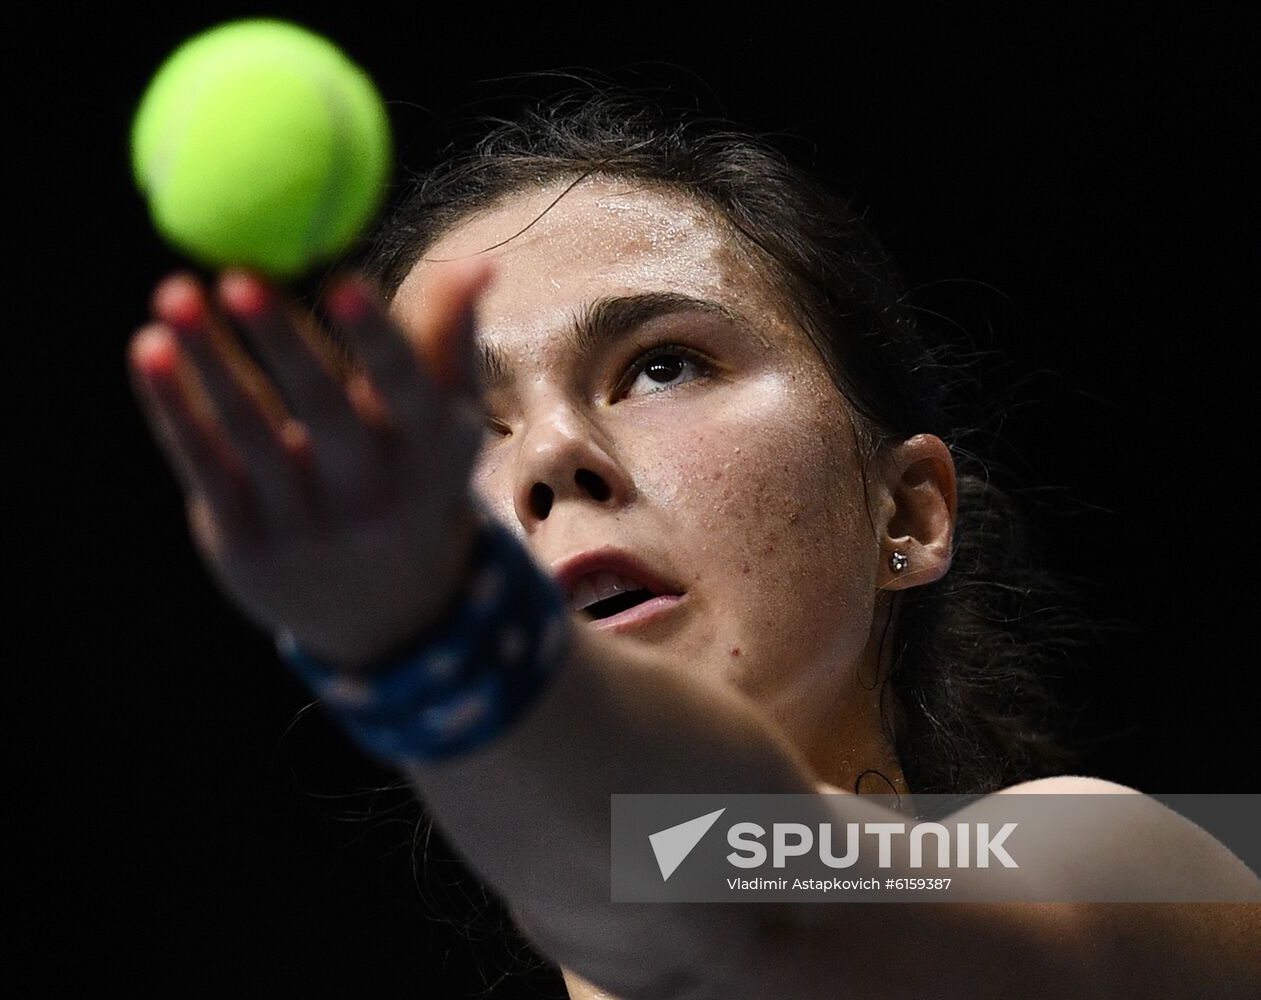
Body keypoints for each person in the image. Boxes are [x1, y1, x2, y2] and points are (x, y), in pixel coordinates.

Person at [126, 91, 1260, 998]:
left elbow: (737, 899)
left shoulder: (1125, 868)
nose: (554, 454)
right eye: (466, 424)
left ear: (907, 512)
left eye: (664, 363)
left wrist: (435, 637)